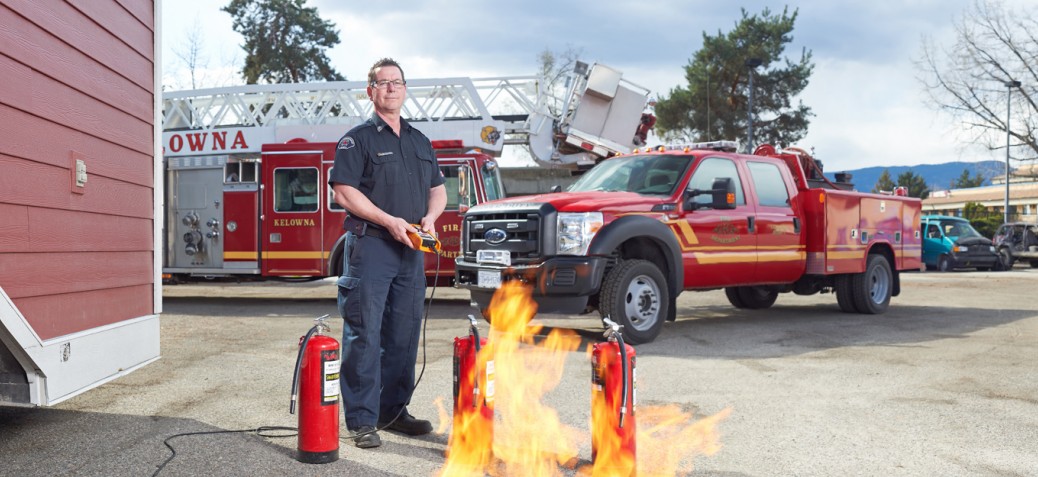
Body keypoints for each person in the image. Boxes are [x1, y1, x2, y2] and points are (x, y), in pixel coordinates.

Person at [328, 58, 447, 449]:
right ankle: (362, 419)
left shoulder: (419, 140)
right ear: (371, 91)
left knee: (403, 333)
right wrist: (389, 220)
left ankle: (393, 412)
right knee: (365, 332)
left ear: (405, 89)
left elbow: (438, 189)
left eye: (397, 82)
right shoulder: (356, 139)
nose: (391, 88)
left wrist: (429, 218)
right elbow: (343, 191)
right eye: (383, 83)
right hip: (373, 247)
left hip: (411, 250)